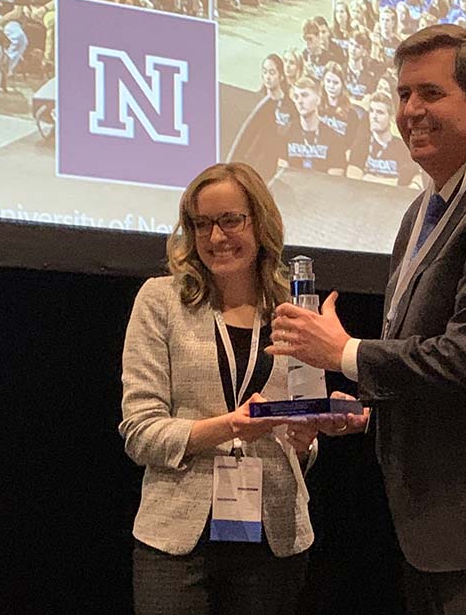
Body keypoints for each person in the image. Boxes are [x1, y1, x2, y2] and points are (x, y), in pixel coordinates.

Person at [267, 24, 466, 615]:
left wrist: (342, 352)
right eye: (403, 95)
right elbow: (428, 358)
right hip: (435, 527)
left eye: (430, 94)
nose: (411, 110)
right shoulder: (422, 210)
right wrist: (364, 413)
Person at [119, 163, 318, 615]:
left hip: (274, 536)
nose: (214, 238)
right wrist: (226, 427)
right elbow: (140, 431)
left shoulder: (293, 309)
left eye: (230, 220)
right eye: (201, 224)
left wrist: (306, 442)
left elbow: (298, 436)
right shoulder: (160, 301)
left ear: (260, 222)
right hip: (175, 539)